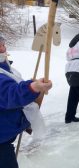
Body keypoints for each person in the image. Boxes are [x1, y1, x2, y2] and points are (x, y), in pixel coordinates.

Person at [0, 36, 52, 168]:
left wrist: (31, 85)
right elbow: (9, 94)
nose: (2, 49)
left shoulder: (4, 67)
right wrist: (33, 87)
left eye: (3, 44)